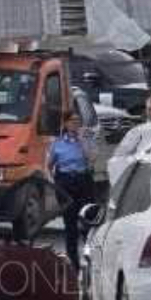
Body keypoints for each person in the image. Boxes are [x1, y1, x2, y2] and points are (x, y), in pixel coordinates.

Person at [49, 111, 96, 269]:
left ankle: (91, 258)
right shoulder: (58, 142)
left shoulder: (86, 139)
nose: (75, 124)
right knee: (70, 224)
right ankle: (73, 264)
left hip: (83, 180)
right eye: (72, 121)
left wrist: (82, 141)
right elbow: (49, 164)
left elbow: (91, 159)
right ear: (65, 123)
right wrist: (54, 183)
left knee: (87, 221)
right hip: (65, 182)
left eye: (78, 121)